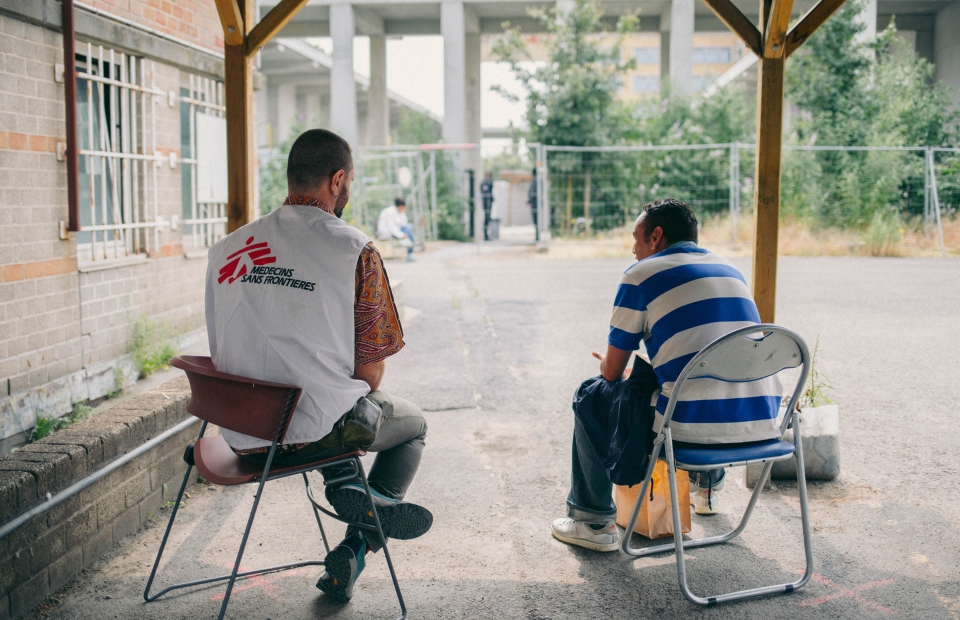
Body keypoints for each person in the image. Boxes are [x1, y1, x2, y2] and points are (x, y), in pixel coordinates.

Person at [205, 129, 432, 602]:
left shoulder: (225, 250)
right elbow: (368, 377)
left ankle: (355, 513)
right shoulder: (354, 250)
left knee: (324, 404)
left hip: (242, 435)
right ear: (338, 180)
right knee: (405, 424)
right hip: (314, 434)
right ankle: (364, 528)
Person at [551, 199, 783, 553]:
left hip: (690, 432)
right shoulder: (729, 269)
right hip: (762, 425)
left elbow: (612, 373)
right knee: (699, 386)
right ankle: (708, 485)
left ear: (656, 236)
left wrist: (611, 366)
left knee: (591, 393)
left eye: (636, 238)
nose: (633, 248)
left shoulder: (640, 275)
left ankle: (592, 521)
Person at [376, 197, 415, 261]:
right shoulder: (389, 212)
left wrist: (403, 234)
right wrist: (401, 235)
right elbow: (391, 227)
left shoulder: (400, 212)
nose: (405, 209)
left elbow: (404, 223)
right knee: (408, 229)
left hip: (397, 231)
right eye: (404, 207)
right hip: (386, 232)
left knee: (409, 226)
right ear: (401, 206)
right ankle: (409, 251)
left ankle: (408, 246)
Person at [480, 171, 494, 241]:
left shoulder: (489, 182)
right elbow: (485, 193)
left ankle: (486, 235)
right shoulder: (485, 182)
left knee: (488, 219)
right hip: (486, 203)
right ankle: (485, 235)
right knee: (486, 219)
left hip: (488, 203)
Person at [528, 168, 539, 241]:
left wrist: (530, 199)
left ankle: (538, 236)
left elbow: (533, 193)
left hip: (535, 203)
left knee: (536, 220)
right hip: (534, 203)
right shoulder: (535, 181)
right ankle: (537, 235)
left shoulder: (535, 181)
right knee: (535, 220)